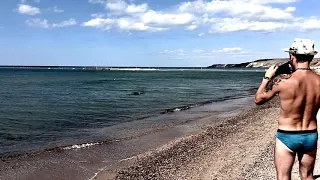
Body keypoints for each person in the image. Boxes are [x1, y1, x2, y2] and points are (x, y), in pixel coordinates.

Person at [255, 38, 320, 180]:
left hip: (287, 135)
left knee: (283, 176)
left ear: (292, 57)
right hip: (310, 134)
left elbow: (259, 99)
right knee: (308, 176)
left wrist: (267, 78)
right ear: (312, 56)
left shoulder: (283, 81)